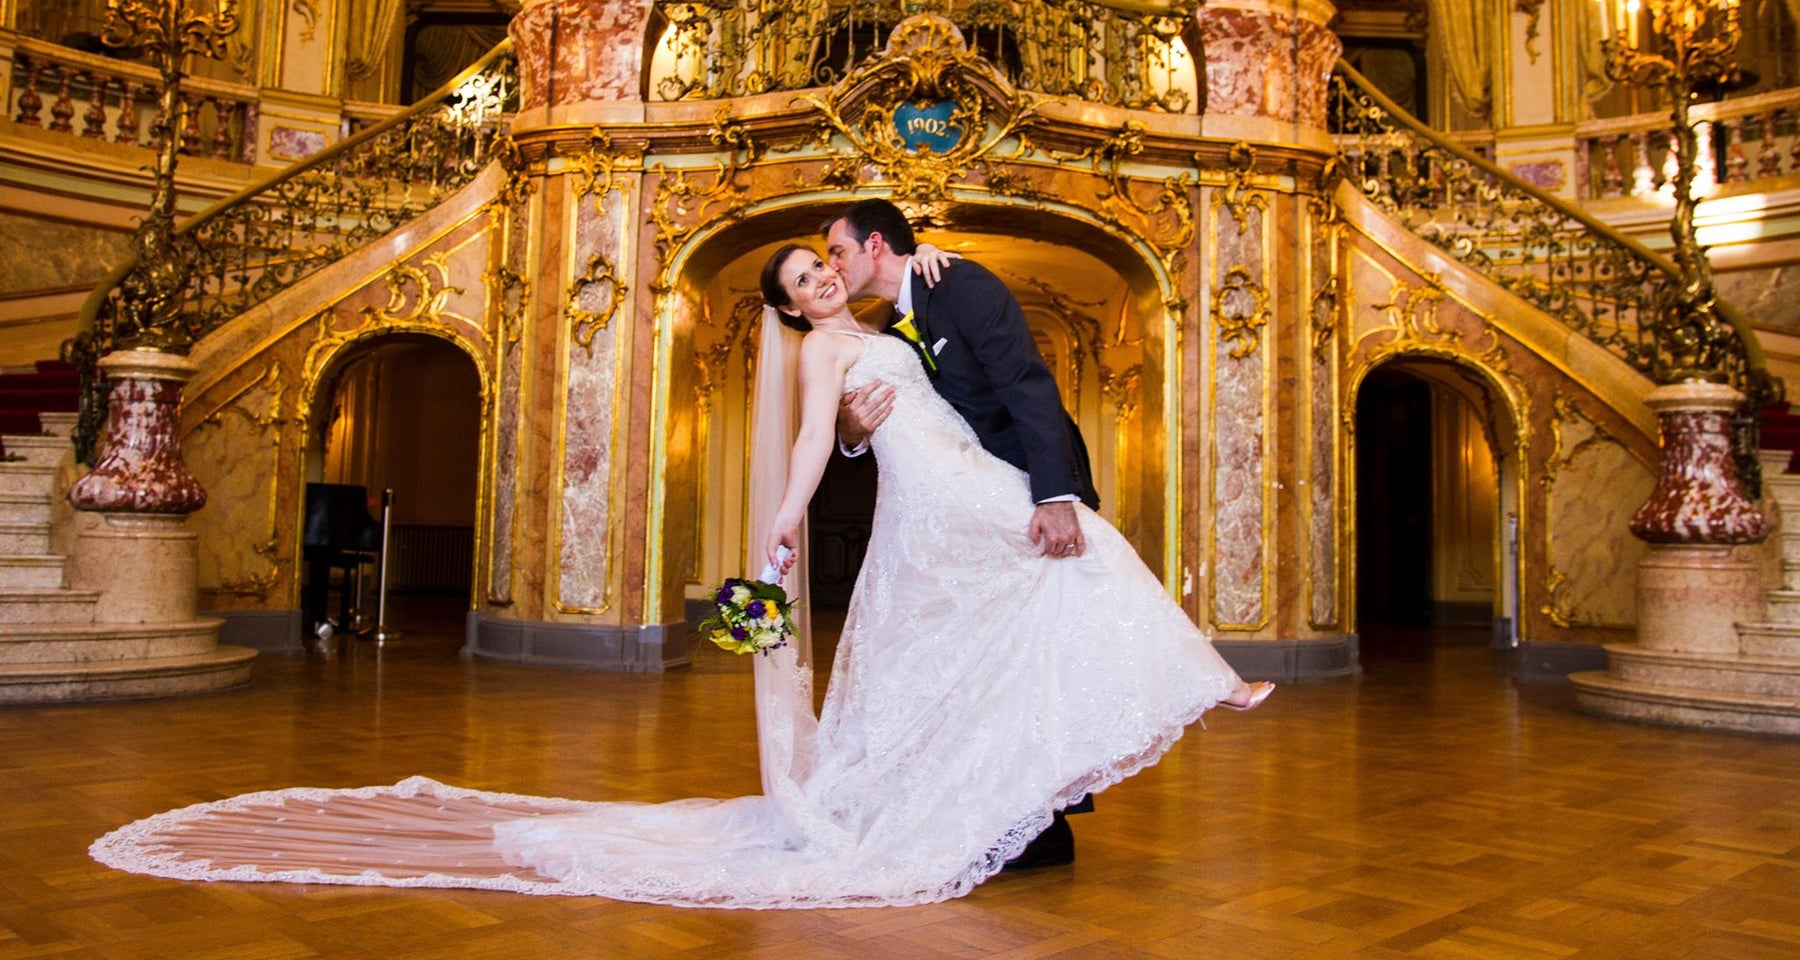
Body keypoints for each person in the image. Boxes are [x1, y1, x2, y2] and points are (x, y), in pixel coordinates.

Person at [88, 239, 1270, 910]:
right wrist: (788, 523)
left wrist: (903, 323)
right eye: (802, 280)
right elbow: (818, 440)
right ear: (788, 306)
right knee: (1062, 555)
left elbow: (943, 386)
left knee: (1014, 596)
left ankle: (1015, 780)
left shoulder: (898, 324)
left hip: (952, 478)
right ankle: (1197, 683)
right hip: (941, 494)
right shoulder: (824, 347)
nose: (819, 283)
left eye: (826, 268)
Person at [824, 199, 1101, 866]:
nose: (832, 265)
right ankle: (1012, 820)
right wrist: (854, 431)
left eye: (837, 251)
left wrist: (1054, 496)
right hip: (971, 517)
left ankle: (1044, 825)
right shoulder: (888, 326)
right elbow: (892, 420)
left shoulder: (964, 286)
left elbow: (1027, 386)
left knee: (1037, 661)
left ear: (877, 246)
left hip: (1032, 494)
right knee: (987, 663)